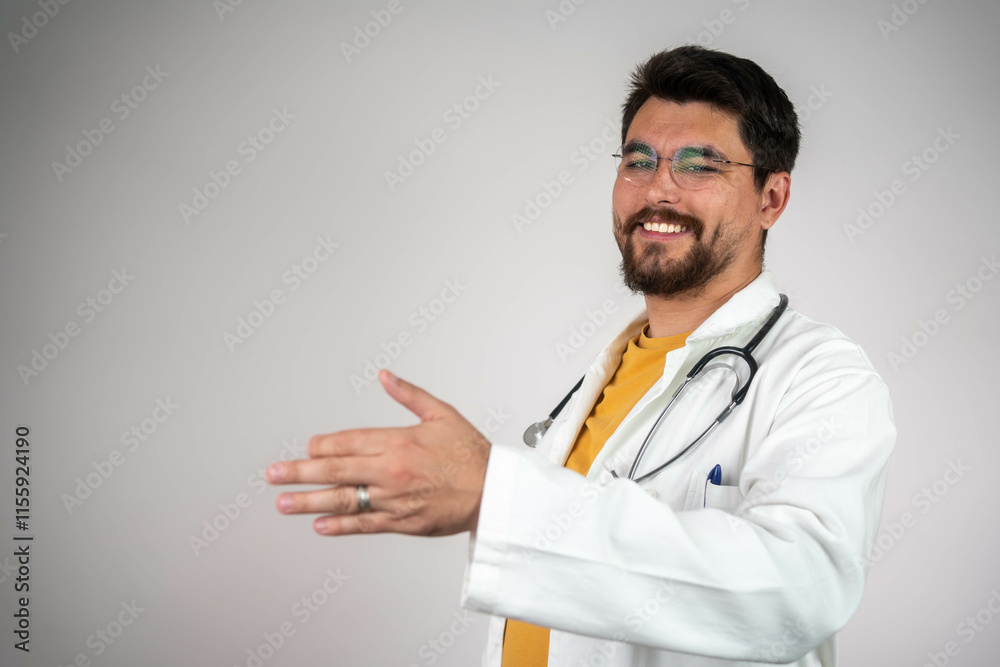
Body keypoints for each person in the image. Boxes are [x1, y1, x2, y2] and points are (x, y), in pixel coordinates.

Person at [265, 45, 896, 666]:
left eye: (699, 166)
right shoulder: (606, 377)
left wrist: (495, 494)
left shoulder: (821, 376)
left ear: (771, 198)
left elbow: (797, 594)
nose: (659, 189)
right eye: (639, 161)